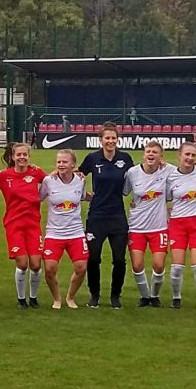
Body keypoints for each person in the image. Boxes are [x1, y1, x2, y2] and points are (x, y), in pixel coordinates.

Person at [79, 122, 134, 309]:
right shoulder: (92, 158)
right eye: (107, 138)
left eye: (113, 138)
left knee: (119, 259)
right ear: (101, 140)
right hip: (96, 216)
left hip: (117, 216)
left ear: (117, 140)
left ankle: (115, 296)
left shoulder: (125, 159)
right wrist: (84, 195)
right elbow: (77, 175)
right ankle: (94, 295)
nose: (110, 141)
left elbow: (140, 177)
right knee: (93, 258)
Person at [0, 142, 47, 309]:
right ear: (13, 157)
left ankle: (34, 298)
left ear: (29, 156)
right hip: (14, 224)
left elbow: (53, 180)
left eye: (25, 154)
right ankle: (21, 299)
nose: (22, 157)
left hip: (33, 224)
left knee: (36, 264)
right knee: (22, 263)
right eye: (19, 155)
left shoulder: (36, 173)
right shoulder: (4, 176)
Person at [123, 142, 172, 308]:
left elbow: (186, 169)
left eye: (155, 152)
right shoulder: (132, 173)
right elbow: (124, 192)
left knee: (158, 265)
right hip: (136, 227)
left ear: (161, 156)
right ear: (144, 155)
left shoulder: (168, 170)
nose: (151, 154)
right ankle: (145, 297)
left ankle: (154, 295)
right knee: (137, 264)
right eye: (148, 151)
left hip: (159, 227)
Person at [40, 149, 88, 309]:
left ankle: (70, 297)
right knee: (49, 268)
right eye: (59, 162)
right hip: (54, 233)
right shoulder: (48, 181)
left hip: (76, 232)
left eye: (64, 162)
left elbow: (83, 196)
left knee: (81, 268)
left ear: (73, 164)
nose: (61, 165)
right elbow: (37, 198)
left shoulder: (80, 180)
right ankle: (57, 299)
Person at [166, 142, 196, 310]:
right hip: (178, 224)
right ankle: (176, 298)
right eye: (187, 155)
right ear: (179, 155)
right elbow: (166, 198)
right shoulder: (170, 177)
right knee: (177, 267)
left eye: (193, 155)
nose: (190, 158)